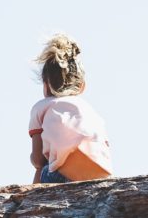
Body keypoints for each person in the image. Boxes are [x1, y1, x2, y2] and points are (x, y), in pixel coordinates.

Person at [28, 34, 113, 183]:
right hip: (100, 172)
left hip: (62, 175)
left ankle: (30, 202)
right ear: (81, 86)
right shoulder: (90, 111)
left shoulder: (41, 107)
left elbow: (38, 159)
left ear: (46, 84)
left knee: (44, 167)